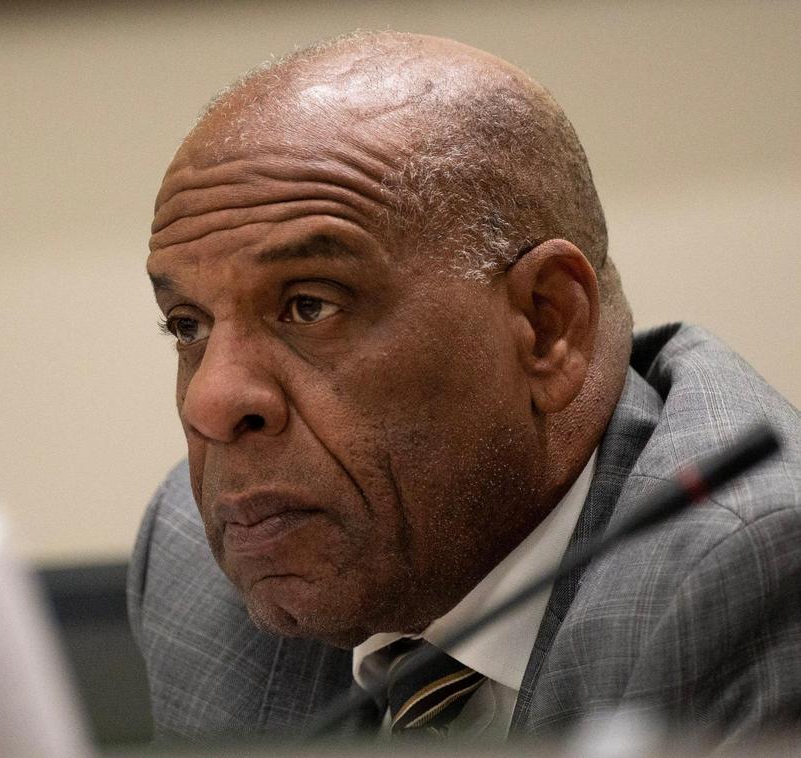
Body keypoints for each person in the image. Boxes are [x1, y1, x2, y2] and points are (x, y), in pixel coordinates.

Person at [128, 31, 801, 745]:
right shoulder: (197, 562)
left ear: (547, 325)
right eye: (187, 326)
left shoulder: (756, 571)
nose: (212, 403)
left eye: (310, 305)